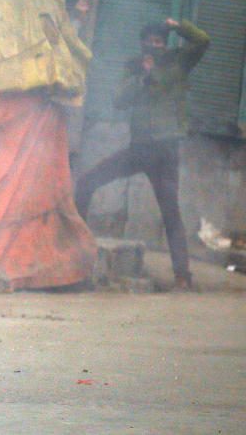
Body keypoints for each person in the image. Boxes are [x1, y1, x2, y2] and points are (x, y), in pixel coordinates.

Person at [75, 18, 210, 290]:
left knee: (170, 212)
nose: (154, 46)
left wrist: (176, 25)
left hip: (165, 150)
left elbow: (203, 41)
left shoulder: (178, 61)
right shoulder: (133, 66)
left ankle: (182, 277)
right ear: (142, 43)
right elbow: (119, 100)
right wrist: (142, 78)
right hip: (139, 149)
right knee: (87, 182)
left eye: (159, 41)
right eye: (149, 41)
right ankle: (75, 251)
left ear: (165, 43)